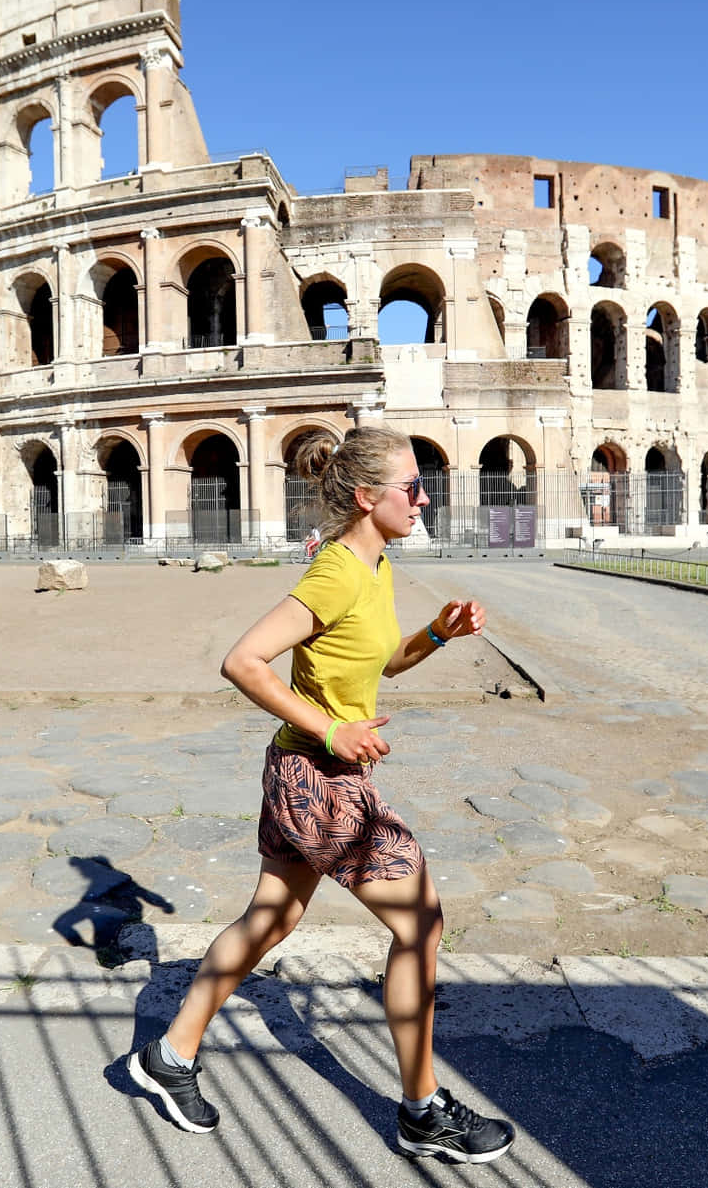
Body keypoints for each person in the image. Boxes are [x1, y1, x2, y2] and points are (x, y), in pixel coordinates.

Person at [127, 427, 515, 1165]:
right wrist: (334, 731)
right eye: (411, 485)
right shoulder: (336, 570)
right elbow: (243, 660)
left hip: (296, 775)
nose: (424, 496)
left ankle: (171, 1055)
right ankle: (422, 1111)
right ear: (369, 497)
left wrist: (437, 632)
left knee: (270, 921)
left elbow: (382, 662)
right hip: (318, 780)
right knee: (421, 925)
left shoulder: (377, 565)